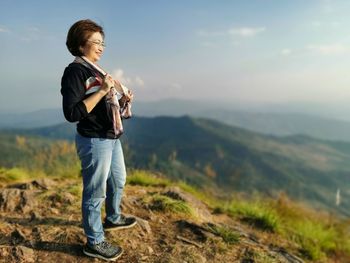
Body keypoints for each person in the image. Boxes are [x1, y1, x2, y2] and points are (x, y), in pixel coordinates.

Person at [61, 19, 136, 261]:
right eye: (96, 42)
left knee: (119, 180)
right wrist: (104, 91)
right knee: (95, 192)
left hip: (111, 136)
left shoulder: (96, 70)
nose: (101, 47)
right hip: (94, 140)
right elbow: (72, 113)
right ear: (80, 45)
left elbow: (101, 107)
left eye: (103, 43)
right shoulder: (75, 71)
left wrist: (122, 100)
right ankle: (94, 241)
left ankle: (113, 218)